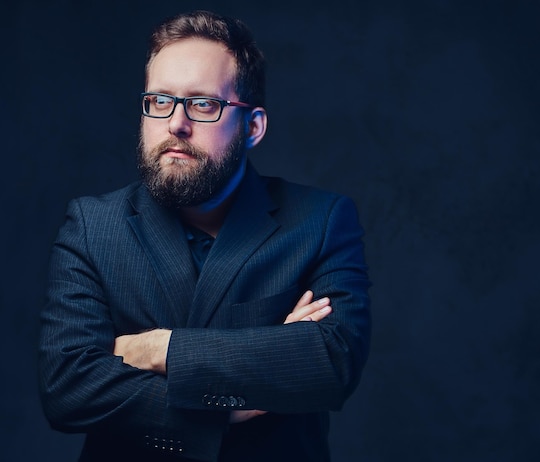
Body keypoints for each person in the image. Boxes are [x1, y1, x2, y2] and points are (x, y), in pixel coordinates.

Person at [38, 10, 371, 462]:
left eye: (203, 103)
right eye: (160, 100)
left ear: (252, 127)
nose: (176, 123)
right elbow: (68, 388)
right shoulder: (93, 225)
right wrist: (234, 399)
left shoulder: (322, 219)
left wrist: (160, 348)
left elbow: (330, 363)